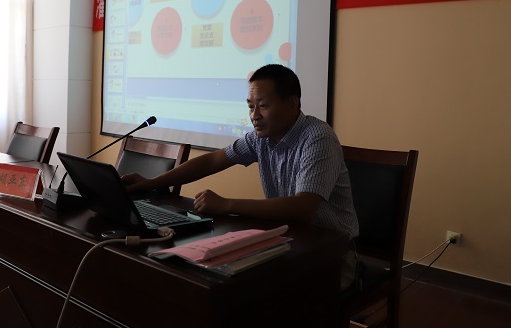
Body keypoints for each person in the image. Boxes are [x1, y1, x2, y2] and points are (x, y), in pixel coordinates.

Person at [122, 64, 359, 288]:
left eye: (263, 106)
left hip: (333, 254)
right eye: (250, 106)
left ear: (292, 103)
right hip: (289, 242)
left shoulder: (318, 138)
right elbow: (212, 161)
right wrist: (152, 182)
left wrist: (226, 204)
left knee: (252, 295)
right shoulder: (260, 138)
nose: (254, 115)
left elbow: (304, 207)